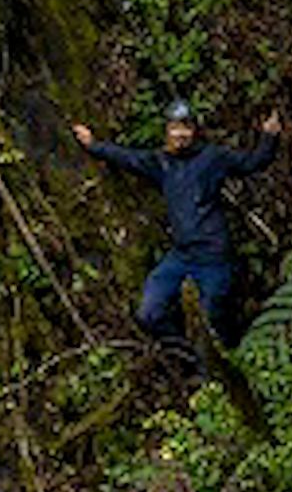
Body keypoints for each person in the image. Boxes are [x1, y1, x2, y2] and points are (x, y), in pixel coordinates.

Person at [73, 100, 280, 348]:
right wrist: (94, 145)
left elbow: (252, 163)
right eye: (175, 128)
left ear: (194, 131)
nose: (180, 135)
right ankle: (186, 353)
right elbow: (128, 158)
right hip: (181, 255)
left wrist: (269, 136)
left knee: (213, 322)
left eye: (186, 128)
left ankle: (222, 371)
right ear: (167, 131)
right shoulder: (161, 163)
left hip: (213, 256)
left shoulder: (212, 158)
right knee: (149, 313)